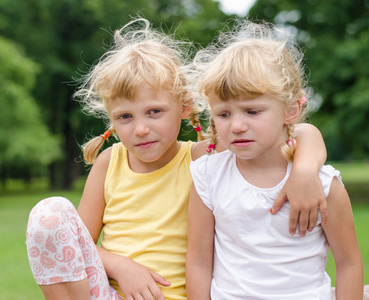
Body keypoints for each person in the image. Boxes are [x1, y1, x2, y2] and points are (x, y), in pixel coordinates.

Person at [26, 18, 329, 300]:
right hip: (111, 293)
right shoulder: (110, 162)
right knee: (48, 214)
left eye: (154, 112)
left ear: (185, 106)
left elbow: (298, 131)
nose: (141, 128)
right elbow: (80, 244)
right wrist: (121, 266)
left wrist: (304, 170)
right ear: (112, 120)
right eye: (125, 117)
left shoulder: (204, 157)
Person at [186, 20, 364, 300]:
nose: (236, 126)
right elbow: (198, 262)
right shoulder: (208, 176)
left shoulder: (324, 184)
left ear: (291, 110)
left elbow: (349, 264)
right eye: (223, 114)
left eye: (252, 111)